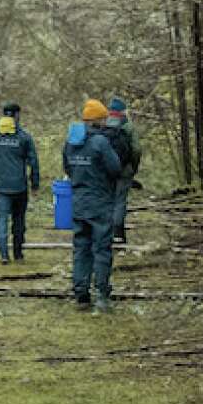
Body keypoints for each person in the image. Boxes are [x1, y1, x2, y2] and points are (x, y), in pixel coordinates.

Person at [63, 99, 122, 312]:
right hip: (99, 201)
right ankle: (102, 295)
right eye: (104, 119)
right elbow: (115, 168)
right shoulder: (100, 143)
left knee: (81, 248)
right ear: (97, 120)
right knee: (102, 249)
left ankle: (81, 294)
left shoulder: (71, 141)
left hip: (78, 201)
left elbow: (67, 167)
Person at [0, 102, 41, 264]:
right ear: (16, 115)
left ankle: (3, 255)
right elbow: (33, 162)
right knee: (19, 222)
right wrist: (34, 183)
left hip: (0, 187)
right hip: (19, 187)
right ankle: (18, 254)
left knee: (1, 221)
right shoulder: (24, 136)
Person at [101, 97, 142, 244]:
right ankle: (118, 234)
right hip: (125, 170)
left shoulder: (103, 124)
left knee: (108, 200)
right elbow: (136, 149)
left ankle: (106, 234)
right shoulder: (128, 126)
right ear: (123, 111)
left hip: (106, 171)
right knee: (120, 201)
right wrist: (133, 167)